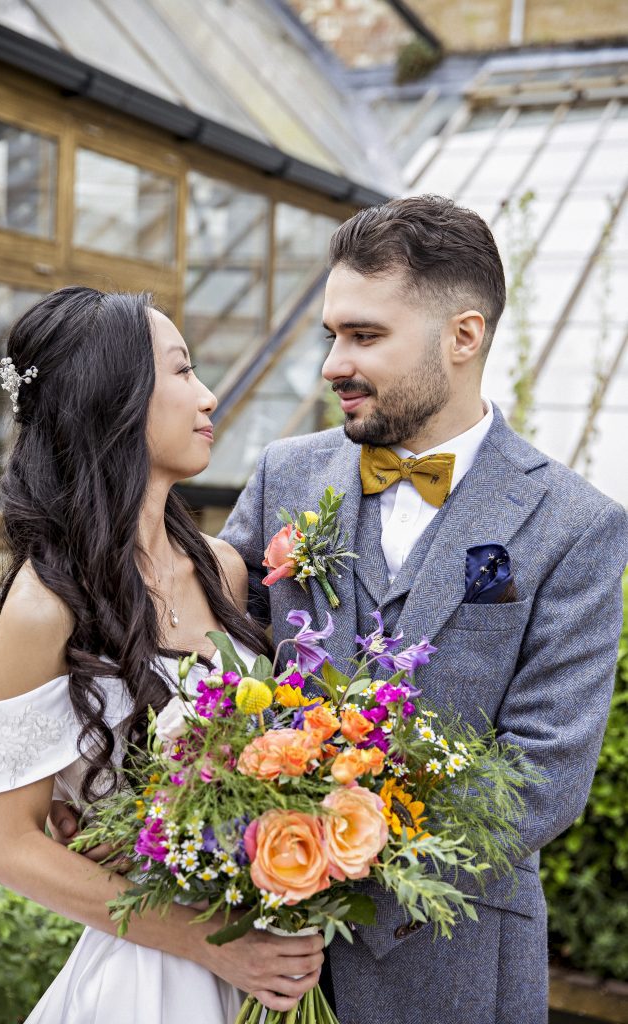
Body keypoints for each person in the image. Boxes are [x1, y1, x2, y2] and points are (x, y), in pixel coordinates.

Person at [220, 196, 628, 1024]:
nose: (333, 364)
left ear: (463, 336)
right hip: (257, 945)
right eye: (330, 336)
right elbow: (209, 657)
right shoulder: (283, 475)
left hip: (454, 957)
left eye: (364, 337)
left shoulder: (579, 525)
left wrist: (338, 866)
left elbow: (543, 772)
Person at [0, 287, 324, 1024]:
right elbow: (7, 846)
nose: (208, 394)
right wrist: (210, 943)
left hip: (264, 955)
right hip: (149, 974)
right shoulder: (45, 607)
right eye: (182, 370)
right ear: (117, 399)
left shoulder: (225, 570)